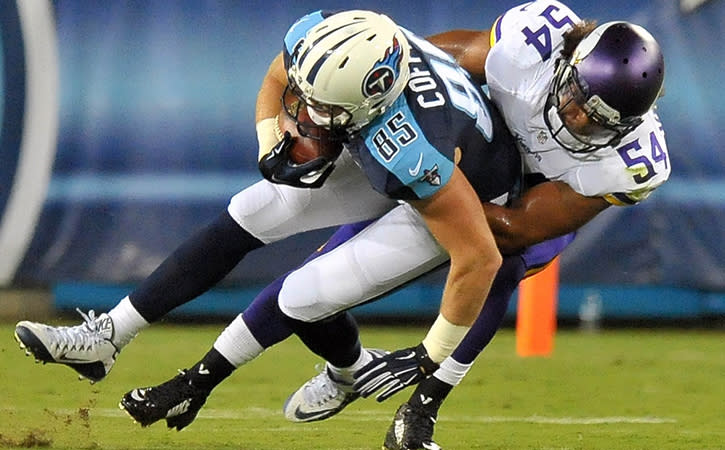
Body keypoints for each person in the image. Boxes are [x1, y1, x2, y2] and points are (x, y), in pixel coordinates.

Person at [14, 8, 523, 432]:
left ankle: (348, 375)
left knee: (303, 295)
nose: (303, 113)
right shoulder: (339, 46)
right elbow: (281, 73)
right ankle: (108, 336)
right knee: (253, 208)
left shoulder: (414, 148)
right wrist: (267, 139)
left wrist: (430, 355)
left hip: (462, 194)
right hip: (383, 140)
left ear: (373, 98)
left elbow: (478, 257)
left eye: (321, 107)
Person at [342, 2, 669, 449]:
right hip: (483, 143)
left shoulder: (634, 162)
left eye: (598, 122)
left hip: (538, 194)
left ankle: (420, 412)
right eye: (579, 101)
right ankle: (335, 353)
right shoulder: (532, 46)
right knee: (375, 209)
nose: (576, 120)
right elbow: (433, 66)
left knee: (503, 264)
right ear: (569, 64)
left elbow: (519, 228)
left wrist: (436, 186)